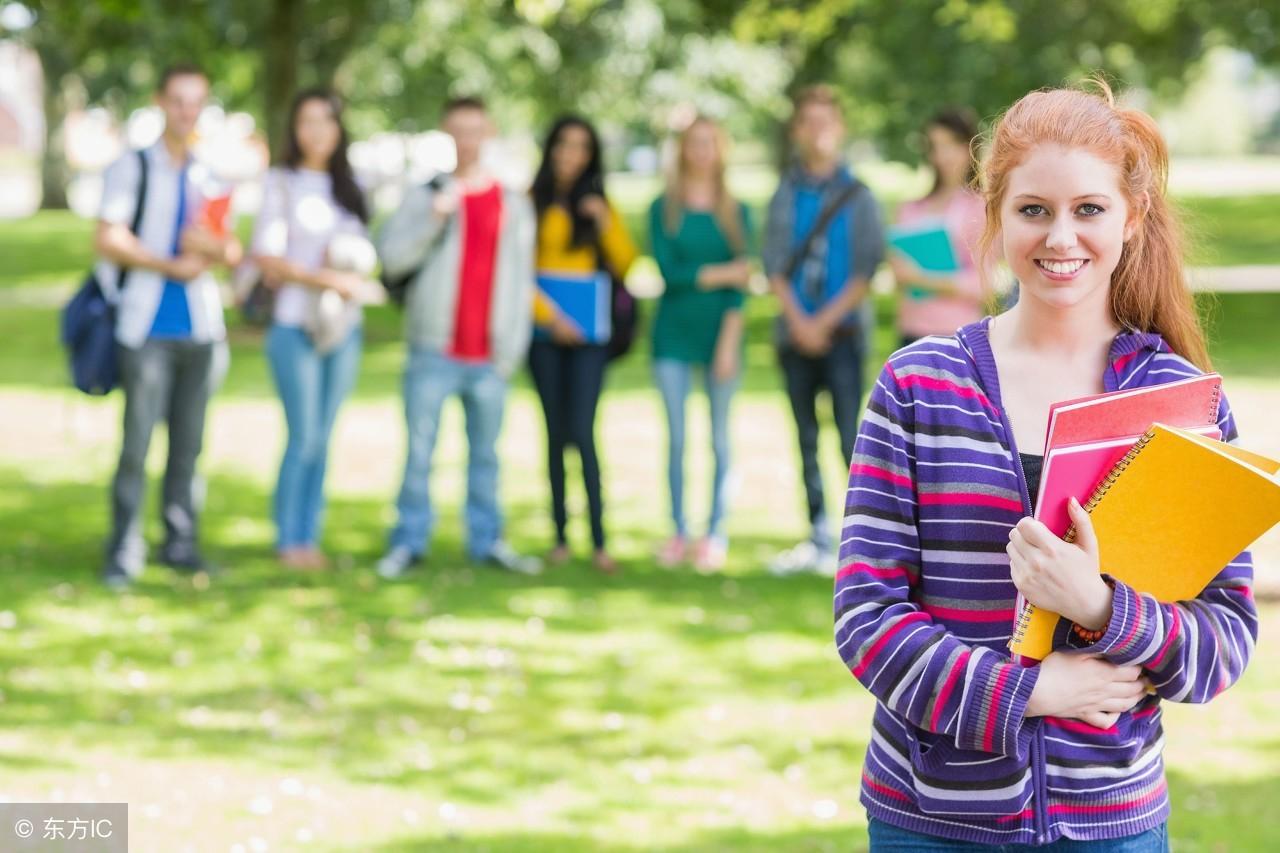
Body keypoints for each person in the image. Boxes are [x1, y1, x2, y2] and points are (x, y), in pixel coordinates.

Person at [836, 81, 1256, 850]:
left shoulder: (1181, 405)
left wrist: (1100, 607)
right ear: (994, 218)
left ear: (1132, 219)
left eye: (1089, 209)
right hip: (930, 820)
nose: (1061, 236)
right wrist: (1030, 691)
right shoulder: (917, 386)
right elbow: (867, 618)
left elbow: (1222, 642)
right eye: (1034, 209)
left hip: (1112, 825)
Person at [375, 96, 541, 578]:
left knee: (487, 456)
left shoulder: (512, 201)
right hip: (434, 346)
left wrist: (511, 346)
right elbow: (392, 259)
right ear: (446, 135)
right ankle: (408, 541)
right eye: (458, 132)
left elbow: (520, 277)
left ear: (487, 133)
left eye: (475, 131)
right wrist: (435, 219)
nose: (467, 142)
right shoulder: (425, 194)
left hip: (490, 352)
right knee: (420, 453)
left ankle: (488, 541)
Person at [97, 63, 242, 587]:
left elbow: (229, 247)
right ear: (161, 102)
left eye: (196, 101)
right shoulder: (132, 167)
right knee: (136, 446)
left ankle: (180, 543)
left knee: (189, 446)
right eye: (178, 100)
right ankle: (123, 551)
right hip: (146, 328)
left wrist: (214, 249)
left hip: (201, 330)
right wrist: (170, 263)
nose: (187, 111)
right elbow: (108, 237)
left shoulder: (210, 173)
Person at [250, 89, 376, 570]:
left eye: (327, 120)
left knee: (324, 435)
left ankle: (310, 534)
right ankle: (288, 538)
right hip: (293, 324)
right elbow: (268, 258)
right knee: (302, 434)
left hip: (343, 326)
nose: (318, 130)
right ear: (294, 128)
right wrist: (327, 278)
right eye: (307, 121)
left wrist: (349, 273)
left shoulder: (352, 185)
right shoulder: (281, 182)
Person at [762, 85, 885, 576]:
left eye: (826, 122)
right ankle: (815, 530)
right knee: (804, 435)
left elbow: (866, 269)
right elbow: (773, 264)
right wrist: (799, 321)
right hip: (794, 335)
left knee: (849, 436)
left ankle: (861, 535)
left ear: (840, 129)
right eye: (808, 123)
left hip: (844, 336)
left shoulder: (859, 197)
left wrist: (823, 322)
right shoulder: (784, 194)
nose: (818, 133)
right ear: (797, 130)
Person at [528, 115, 638, 573]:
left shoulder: (598, 203)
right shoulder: (531, 202)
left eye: (581, 147)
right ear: (551, 148)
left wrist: (604, 220)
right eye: (563, 145)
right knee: (554, 433)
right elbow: (518, 270)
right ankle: (558, 535)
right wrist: (550, 319)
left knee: (584, 429)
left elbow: (627, 263)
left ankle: (598, 540)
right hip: (544, 334)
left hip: (590, 335)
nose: (570, 154)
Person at [648, 117, 752, 572]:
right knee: (676, 438)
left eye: (710, 143)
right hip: (672, 335)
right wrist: (722, 271)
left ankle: (715, 533)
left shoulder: (736, 209)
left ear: (720, 149)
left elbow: (742, 284)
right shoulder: (662, 208)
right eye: (694, 143)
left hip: (720, 336)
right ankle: (677, 531)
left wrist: (728, 343)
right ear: (683, 149)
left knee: (719, 440)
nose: (702, 151)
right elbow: (668, 274)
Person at [891, 107, 991, 347]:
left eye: (951, 144)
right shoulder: (911, 209)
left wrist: (921, 279)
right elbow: (898, 271)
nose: (943, 155)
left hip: (956, 335)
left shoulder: (981, 208)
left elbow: (983, 284)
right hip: (911, 331)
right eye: (936, 146)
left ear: (969, 147)